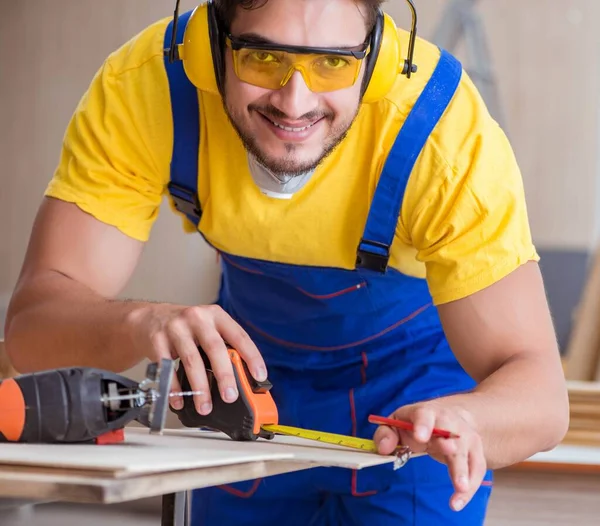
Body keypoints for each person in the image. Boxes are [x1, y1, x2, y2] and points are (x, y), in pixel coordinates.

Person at [4, 0, 568, 524]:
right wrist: (140, 322)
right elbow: (30, 332)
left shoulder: (442, 135)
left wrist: (471, 423)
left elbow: (540, 396)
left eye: (332, 62)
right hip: (245, 398)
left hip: (414, 408)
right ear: (213, 44)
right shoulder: (148, 88)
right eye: (262, 56)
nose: (294, 102)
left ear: (377, 52)